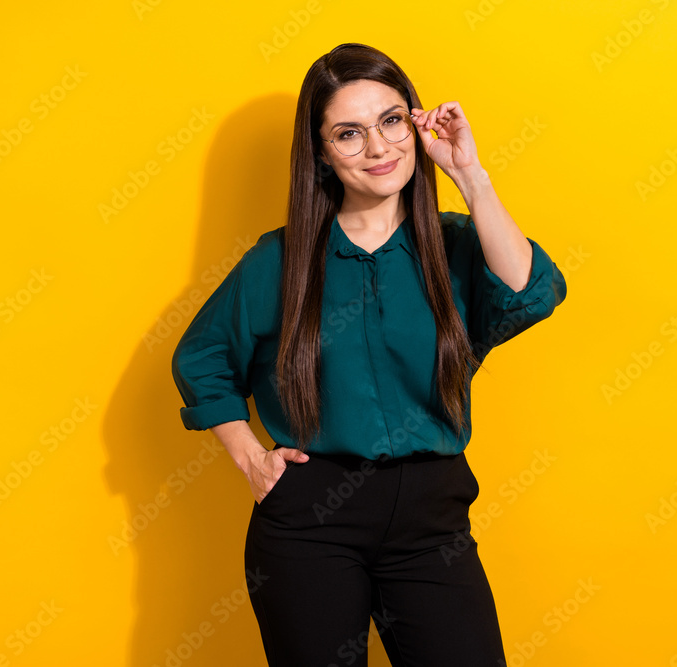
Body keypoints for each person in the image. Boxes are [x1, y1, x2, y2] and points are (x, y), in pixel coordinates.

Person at [170, 42, 567, 666]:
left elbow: (529, 291)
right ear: (322, 154)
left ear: (415, 122)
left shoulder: (456, 245)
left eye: (390, 121)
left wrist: (470, 176)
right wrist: (249, 457)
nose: (379, 149)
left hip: (432, 515)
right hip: (310, 519)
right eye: (349, 134)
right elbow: (202, 358)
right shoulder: (280, 262)